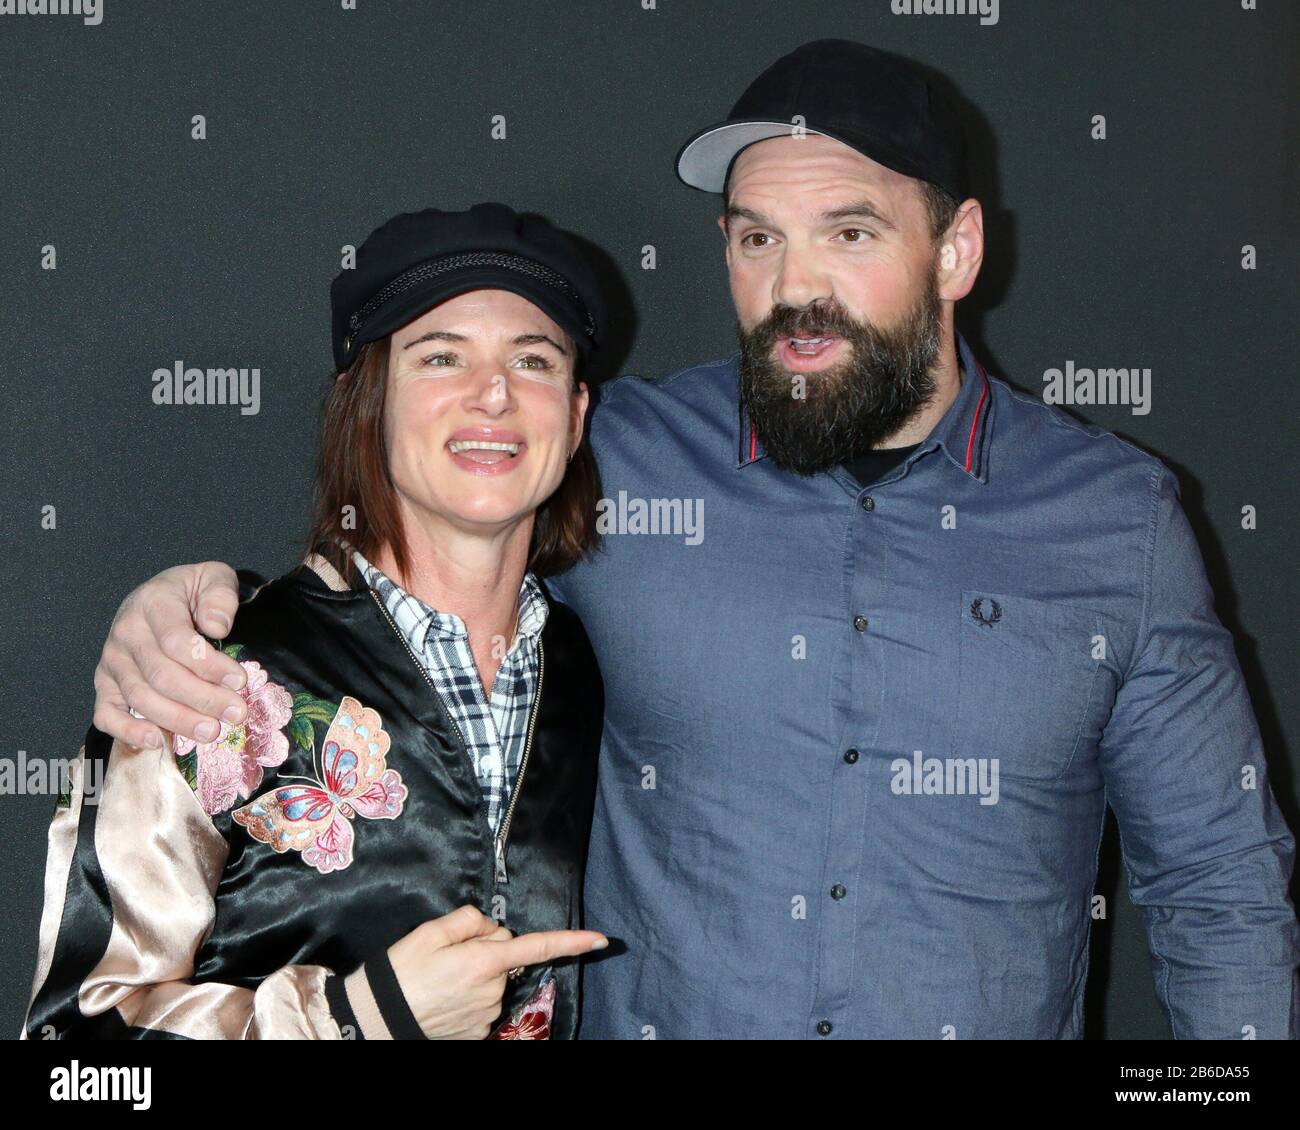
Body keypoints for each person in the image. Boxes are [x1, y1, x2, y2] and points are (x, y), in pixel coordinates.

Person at [84, 41, 1299, 1038]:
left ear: (959, 249)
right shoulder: (614, 460)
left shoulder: (1119, 519)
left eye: (852, 232)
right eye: (756, 236)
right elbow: (408, 566)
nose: (794, 283)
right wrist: (195, 604)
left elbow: (1220, 891)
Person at [24, 203, 611, 1040]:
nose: (494, 393)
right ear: (367, 401)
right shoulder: (206, 676)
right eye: (441, 356)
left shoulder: (586, 664)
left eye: (534, 360)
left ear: (577, 412)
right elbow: (77, 1060)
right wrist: (356, 1019)